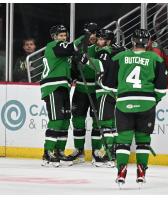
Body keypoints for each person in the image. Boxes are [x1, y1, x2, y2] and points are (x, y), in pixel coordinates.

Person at [94, 29, 167, 186]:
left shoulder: (120, 57)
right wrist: (152, 100)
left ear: (132, 41)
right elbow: (161, 88)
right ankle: (141, 172)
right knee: (143, 140)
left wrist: (119, 97)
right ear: (148, 42)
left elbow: (108, 86)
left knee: (123, 141)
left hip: (124, 103)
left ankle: (121, 171)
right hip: (147, 103)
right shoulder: (156, 58)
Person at [40, 24, 80, 167]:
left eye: (65, 35)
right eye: (61, 35)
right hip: (52, 86)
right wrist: (86, 35)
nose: (64, 38)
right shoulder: (53, 45)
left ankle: (59, 151)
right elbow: (71, 47)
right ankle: (48, 153)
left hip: (63, 87)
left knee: (64, 121)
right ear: (54, 37)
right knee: (56, 120)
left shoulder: (65, 52)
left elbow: (70, 68)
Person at [67, 22, 107, 167]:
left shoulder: (100, 49)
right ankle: (79, 151)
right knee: (77, 120)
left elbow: (101, 66)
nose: (92, 37)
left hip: (96, 89)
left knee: (97, 121)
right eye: (89, 33)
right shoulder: (79, 47)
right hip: (80, 89)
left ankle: (97, 151)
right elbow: (72, 67)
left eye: (94, 34)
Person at [94, 28, 126, 167]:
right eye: (99, 38)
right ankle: (113, 154)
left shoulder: (103, 52)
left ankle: (104, 155)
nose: (99, 41)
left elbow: (99, 66)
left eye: (101, 39)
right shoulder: (122, 51)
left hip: (105, 91)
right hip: (117, 92)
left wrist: (84, 60)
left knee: (106, 126)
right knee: (112, 126)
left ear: (108, 40)